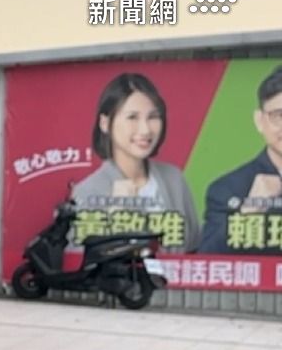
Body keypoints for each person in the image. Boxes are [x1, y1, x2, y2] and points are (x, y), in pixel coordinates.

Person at [71, 72, 200, 252]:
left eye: (153, 117)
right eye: (132, 117)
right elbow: (80, 260)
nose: (145, 129)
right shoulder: (87, 192)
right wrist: (116, 215)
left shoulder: (174, 178)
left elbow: (194, 247)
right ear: (105, 123)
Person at [198, 65, 282, 254]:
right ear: (259, 121)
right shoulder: (227, 190)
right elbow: (208, 260)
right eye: (280, 116)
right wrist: (250, 211)